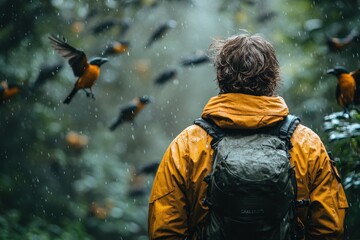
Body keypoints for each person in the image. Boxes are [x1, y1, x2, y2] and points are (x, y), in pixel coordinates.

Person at [148, 32, 348, 239]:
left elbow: (164, 230)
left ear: (220, 77)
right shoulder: (308, 144)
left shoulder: (187, 145)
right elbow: (329, 229)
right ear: (273, 77)